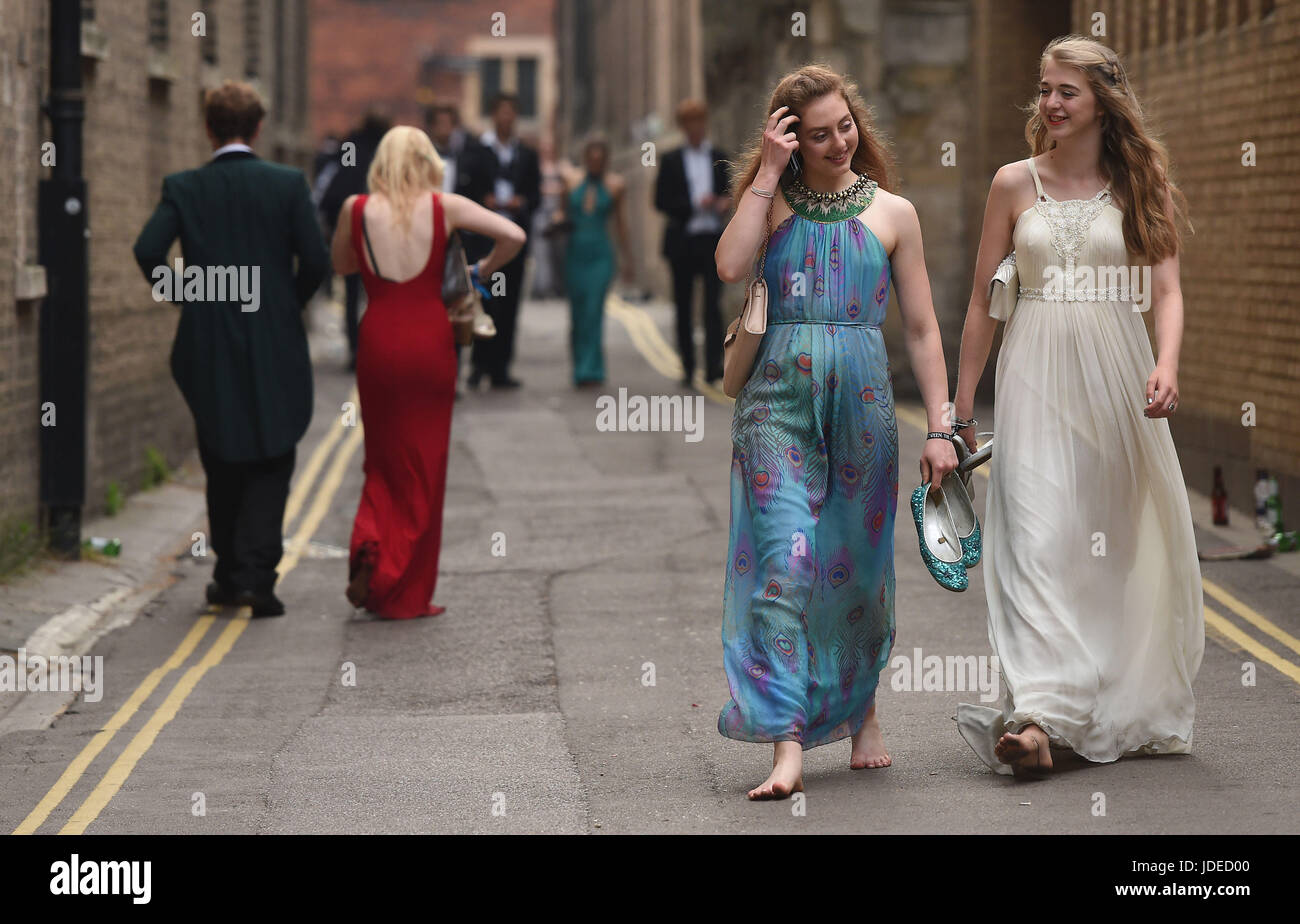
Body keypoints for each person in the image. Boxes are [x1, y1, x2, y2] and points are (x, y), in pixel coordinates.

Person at [951, 35, 1203, 779]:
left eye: (1067, 91)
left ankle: (1099, 701)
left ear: (1102, 102)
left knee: (1104, 549)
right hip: (1032, 379)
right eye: (1045, 89)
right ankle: (1040, 716)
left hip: (1116, 385)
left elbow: (1169, 290)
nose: (1050, 104)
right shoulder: (1011, 183)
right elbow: (981, 304)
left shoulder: (1137, 186)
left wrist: (1166, 363)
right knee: (1036, 537)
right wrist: (960, 408)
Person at [714, 65, 958, 799]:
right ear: (791, 136)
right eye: (816, 135)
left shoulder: (894, 214)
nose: (837, 142)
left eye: (844, 125)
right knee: (786, 563)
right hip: (776, 404)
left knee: (856, 570)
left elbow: (920, 329)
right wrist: (767, 172)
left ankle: (863, 713)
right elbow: (728, 265)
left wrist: (941, 426)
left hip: (862, 409)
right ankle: (787, 741)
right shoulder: (774, 205)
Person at [132, 80, 328, 617]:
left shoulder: (185, 186)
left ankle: (226, 571)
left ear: (207, 127)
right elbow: (315, 259)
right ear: (259, 128)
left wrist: (194, 297)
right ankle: (256, 580)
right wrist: (286, 305)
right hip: (273, 335)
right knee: (272, 451)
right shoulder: (287, 184)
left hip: (208, 339)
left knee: (222, 454)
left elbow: (148, 251)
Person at [330, 126, 524, 619]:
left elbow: (342, 265)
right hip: (429, 340)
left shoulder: (356, 208)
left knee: (382, 458)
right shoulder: (445, 207)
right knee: (425, 464)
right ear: (426, 161)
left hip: (378, 338)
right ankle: (405, 590)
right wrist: (481, 270)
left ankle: (371, 546)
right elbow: (514, 235)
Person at [655, 100, 730, 388]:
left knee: (713, 305)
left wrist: (721, 203)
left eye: (699, 121)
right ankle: (687, 367)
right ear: (682, 126)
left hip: (712, 239)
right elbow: (660, 200)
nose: (696, 127)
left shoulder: (718, 156)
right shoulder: (671, 159)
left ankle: (713, 366)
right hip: (683, 240)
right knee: (684, 306)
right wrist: (693, 205)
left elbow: (729, 193)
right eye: (690, 122)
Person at [469, 93, 541, 390]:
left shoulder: (526, 154)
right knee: (485, 302)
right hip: (487, 242)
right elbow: (468, 191)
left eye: (511, 112)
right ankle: (478, 365)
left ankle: (501, 367)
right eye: (502, 112)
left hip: (514, 240)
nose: (506, 118)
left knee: (509, 305)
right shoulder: (478, 152)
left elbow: (535, 196)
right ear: (493, 115)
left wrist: (519, 202)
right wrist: (483, 202)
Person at [556, 134, 633, 386]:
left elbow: (621, 224)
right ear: (586, 158)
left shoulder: (616, 185)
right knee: (578, 313)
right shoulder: (570, 181)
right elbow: (562, 214)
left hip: (601, 255)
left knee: (593, 310)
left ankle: (592, 369)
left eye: (601, 159)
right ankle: (579, 365)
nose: (596, 162)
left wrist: (627, 259)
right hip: (575, 252)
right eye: (592, 158)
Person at [320, 111, 392, 370]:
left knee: (353, 295)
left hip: (354, 230)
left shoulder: (352, 146)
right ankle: (373, 347)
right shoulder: (385, 151)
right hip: (381, 234)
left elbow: (340, 183)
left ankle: (356, 349)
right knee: (379, 294)